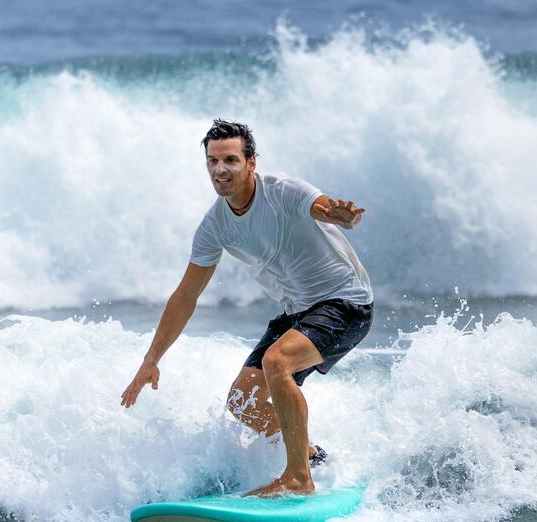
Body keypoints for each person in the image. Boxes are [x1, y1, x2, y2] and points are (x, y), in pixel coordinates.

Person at [121, 119, 373, 497]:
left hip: (346, 302)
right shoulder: (215, 225)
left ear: (251, 162)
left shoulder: (283, 191)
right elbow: (185, 297)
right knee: (244, 403)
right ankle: (313, 457)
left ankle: (299, 479)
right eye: (212, 161)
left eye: (231, 160)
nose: (220, 170)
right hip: (298, 310)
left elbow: (318, 207)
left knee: (277, 362)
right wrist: (150, 359)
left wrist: (339, 215)